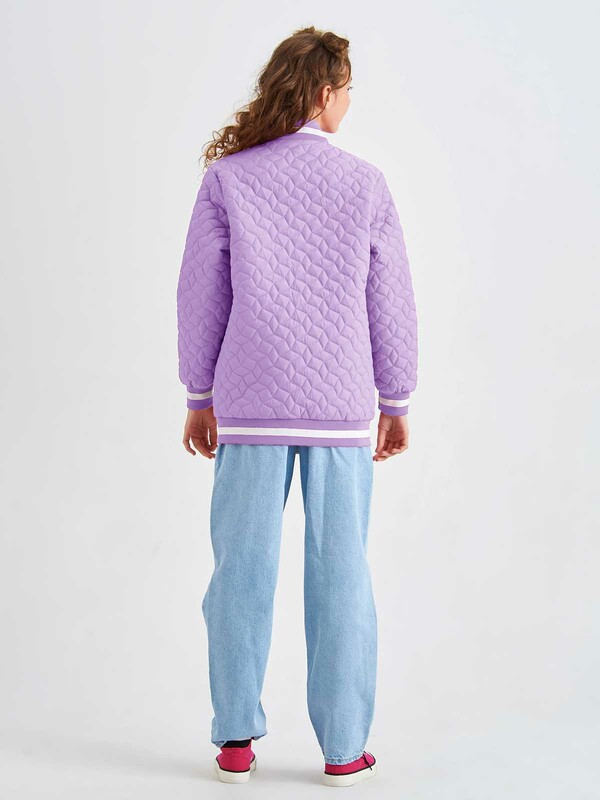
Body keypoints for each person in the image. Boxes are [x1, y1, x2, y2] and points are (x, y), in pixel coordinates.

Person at [176, 25, 418, 787]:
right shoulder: (365, 182)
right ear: (323, 91)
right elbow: (391, 297)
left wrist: (199, 394)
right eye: (346, 90)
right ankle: (343, 749)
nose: (348, 103)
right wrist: (395, 397)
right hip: (341, 407)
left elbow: (199, 295)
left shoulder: (228, 178)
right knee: (341, 574)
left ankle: (235, 742)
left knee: (239, 573)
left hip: (248, 404)